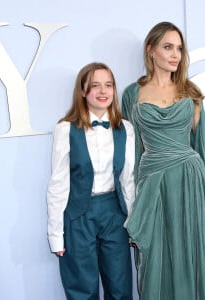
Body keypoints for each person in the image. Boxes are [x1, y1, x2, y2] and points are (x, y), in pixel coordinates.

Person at [122, 22, 205, 299]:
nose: (175, 55)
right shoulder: (132, 94)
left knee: (197, 256)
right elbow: (131, 152)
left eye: (179, 49)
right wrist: (135, 205)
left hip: (191, 182)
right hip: (154, 186)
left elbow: (203, 144)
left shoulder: (190, 92)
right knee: (157, 258)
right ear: (151, 50)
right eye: (167, 47)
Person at [47, 62, 135, 300]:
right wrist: (56, 234)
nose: (103, 91)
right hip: (78, 214)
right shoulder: (65, 129)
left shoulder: (125, 128)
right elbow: (58, 184)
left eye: (108, 85)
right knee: (82, 288)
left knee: (120, 286)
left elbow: (128, 180)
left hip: (114, 214)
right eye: (95, 85)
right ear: (83, 91)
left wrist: (134, 224)